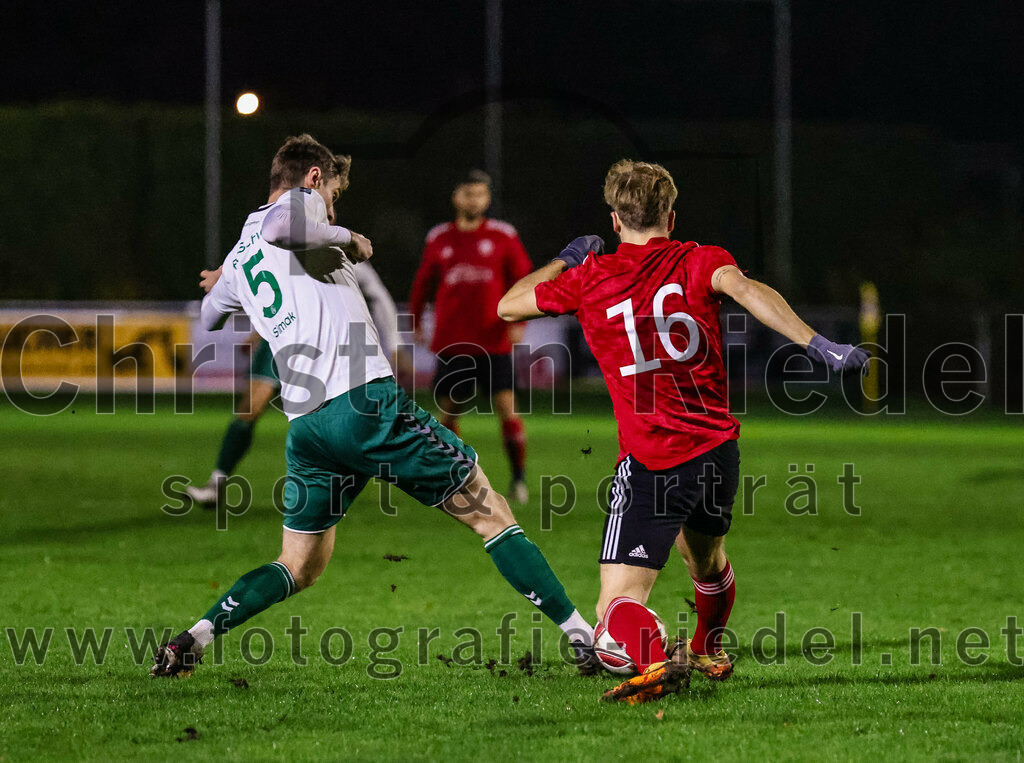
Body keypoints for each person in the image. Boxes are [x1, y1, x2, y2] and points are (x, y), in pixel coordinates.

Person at [152, 135, 594, 678]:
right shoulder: (300, 209)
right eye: (332, 194)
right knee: (489, 511)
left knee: (300, 565)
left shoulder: (241, 252)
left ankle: (194, 637)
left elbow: (210, 313)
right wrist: (351, 238)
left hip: (308, 427)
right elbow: (284, 227)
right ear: (313, 179)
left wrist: (226, 279)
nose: (331, 207)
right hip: (363, 402)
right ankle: (582, 634)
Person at [498, 159, 869, 704]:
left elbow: (508, 305)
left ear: (615, 221)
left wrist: (565, 258)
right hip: (717, 454)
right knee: (707, 562)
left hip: (652, 462)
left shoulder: (590, 278)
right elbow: (746, 290)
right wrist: (817, 345)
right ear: (671, 216)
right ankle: (707, 648)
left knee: (615, 607)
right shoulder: (699, 261)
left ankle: (654, 661)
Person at [186, 260, 410, 509]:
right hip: (278, 339)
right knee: (250, 408)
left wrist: (395, 343)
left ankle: (338, 482)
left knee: (327, 417)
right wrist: (258, 331)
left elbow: (377, 294)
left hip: (320, 342)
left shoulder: (336, 251)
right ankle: (217, 483)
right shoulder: (278, 245)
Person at [409, 171, 532, 503]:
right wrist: (416, 319)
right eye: (468, 194)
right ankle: (452, 478)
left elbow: (523, 278)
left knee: (508, 410)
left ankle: (518, 479)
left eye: (479, 194)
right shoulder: (439, 238)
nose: (473, 200)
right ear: (456, 198)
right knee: (448, 414)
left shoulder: (504, 236)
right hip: (453, 340)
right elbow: (423, 282)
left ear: (487, 199)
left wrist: (519, 318)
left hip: (494, 340)